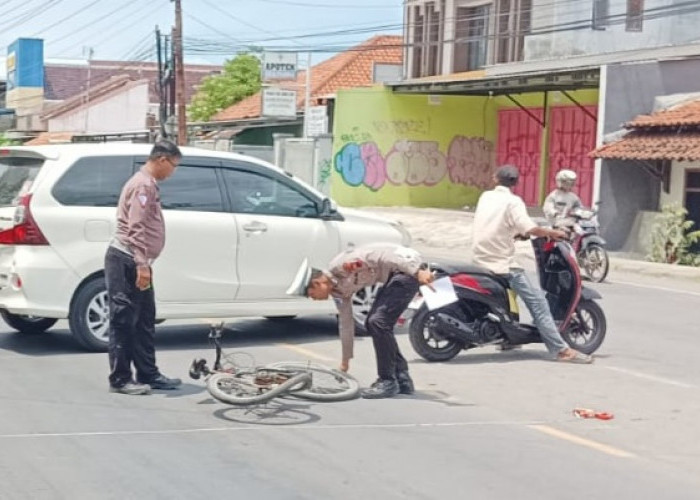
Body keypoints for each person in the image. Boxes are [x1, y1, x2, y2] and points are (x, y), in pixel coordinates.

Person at [472, 165, 593, 363]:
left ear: (495, 178)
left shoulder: (485, 197)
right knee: (538, 302)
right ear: (516, 183)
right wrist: (552, 233)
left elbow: (499, 223)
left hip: (480, 257)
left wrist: (518, 233)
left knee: (512, 294)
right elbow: (529, 226)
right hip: (501, 261)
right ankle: (560, 349)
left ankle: (509, 338)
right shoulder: (515, 201)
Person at [293, 244, 434, 399]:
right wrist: (345, 361)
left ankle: (387, 380)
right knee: (373, 324)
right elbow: (346, 324)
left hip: (406, 270)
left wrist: (417, 270)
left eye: (311, 294)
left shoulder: (342, 266)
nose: (313, 298)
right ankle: (402, 378)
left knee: (378, 322)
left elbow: (383, 256)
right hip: (394, 278)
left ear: (317, 283)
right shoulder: (338, 291)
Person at [105, 140, 184, 395]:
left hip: (139, 261)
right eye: (173, 165)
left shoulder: (148, 184)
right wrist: (141, 264)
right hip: (128, 260)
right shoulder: (142, 185)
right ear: (162, 160)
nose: (173, 171)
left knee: (145, 320)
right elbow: (136, 226)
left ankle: (149, 373)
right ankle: (121, 379)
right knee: (124, 320)